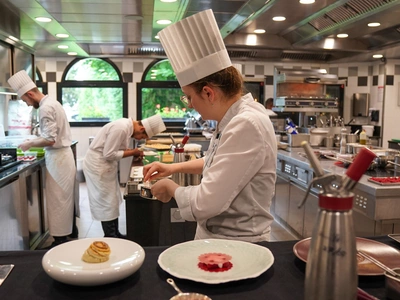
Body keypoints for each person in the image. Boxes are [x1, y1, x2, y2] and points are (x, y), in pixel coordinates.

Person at [143, 9, 277, 243]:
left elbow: (207, 202)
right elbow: (217, 161)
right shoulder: (234, 118)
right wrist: (173, 169)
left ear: (208, 93)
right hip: (220, 236)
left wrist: (171, 188)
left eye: (189, 97)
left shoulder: (246, 123)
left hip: (239, 243)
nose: (190, 105)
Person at [8, 70, 77, 248]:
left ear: (30, 93)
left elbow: (50, 139)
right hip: (62, 157)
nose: (28, 104)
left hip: (58, 159)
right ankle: (66, 234)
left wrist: (29, 143)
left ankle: (60, 241)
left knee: (58, 200)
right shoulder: (52, 102)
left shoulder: (45, 108)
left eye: (26, 100)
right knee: (62, 198)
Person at [83, 115, 166, 238]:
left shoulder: (126, 128)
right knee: (106, 202)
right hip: (98, 165)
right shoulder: (121, 128)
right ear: (142, 129)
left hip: (105, 165)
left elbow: (116, 148)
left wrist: (131, 152)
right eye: (143, 137)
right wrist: (133, 152)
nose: (140, 139)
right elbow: (108, 154)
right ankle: (110, 235)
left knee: (112, 200)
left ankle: (115, 233)